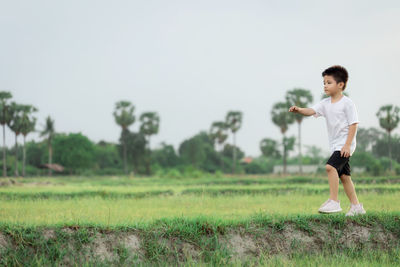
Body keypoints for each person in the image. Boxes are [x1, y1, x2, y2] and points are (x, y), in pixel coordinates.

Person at [288, 65, 366, 216]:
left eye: (329, 82)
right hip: (336, 145)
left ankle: (334, 201)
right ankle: (357, 207)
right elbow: (311, 111)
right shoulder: (325, 103)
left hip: (344, 145)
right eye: (324, 82)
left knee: (330, 167)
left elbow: (354, 124)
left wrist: (347, 145)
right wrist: (299, 110)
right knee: (344, 176)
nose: (325, 85)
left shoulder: (347, 103)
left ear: (340, 84)